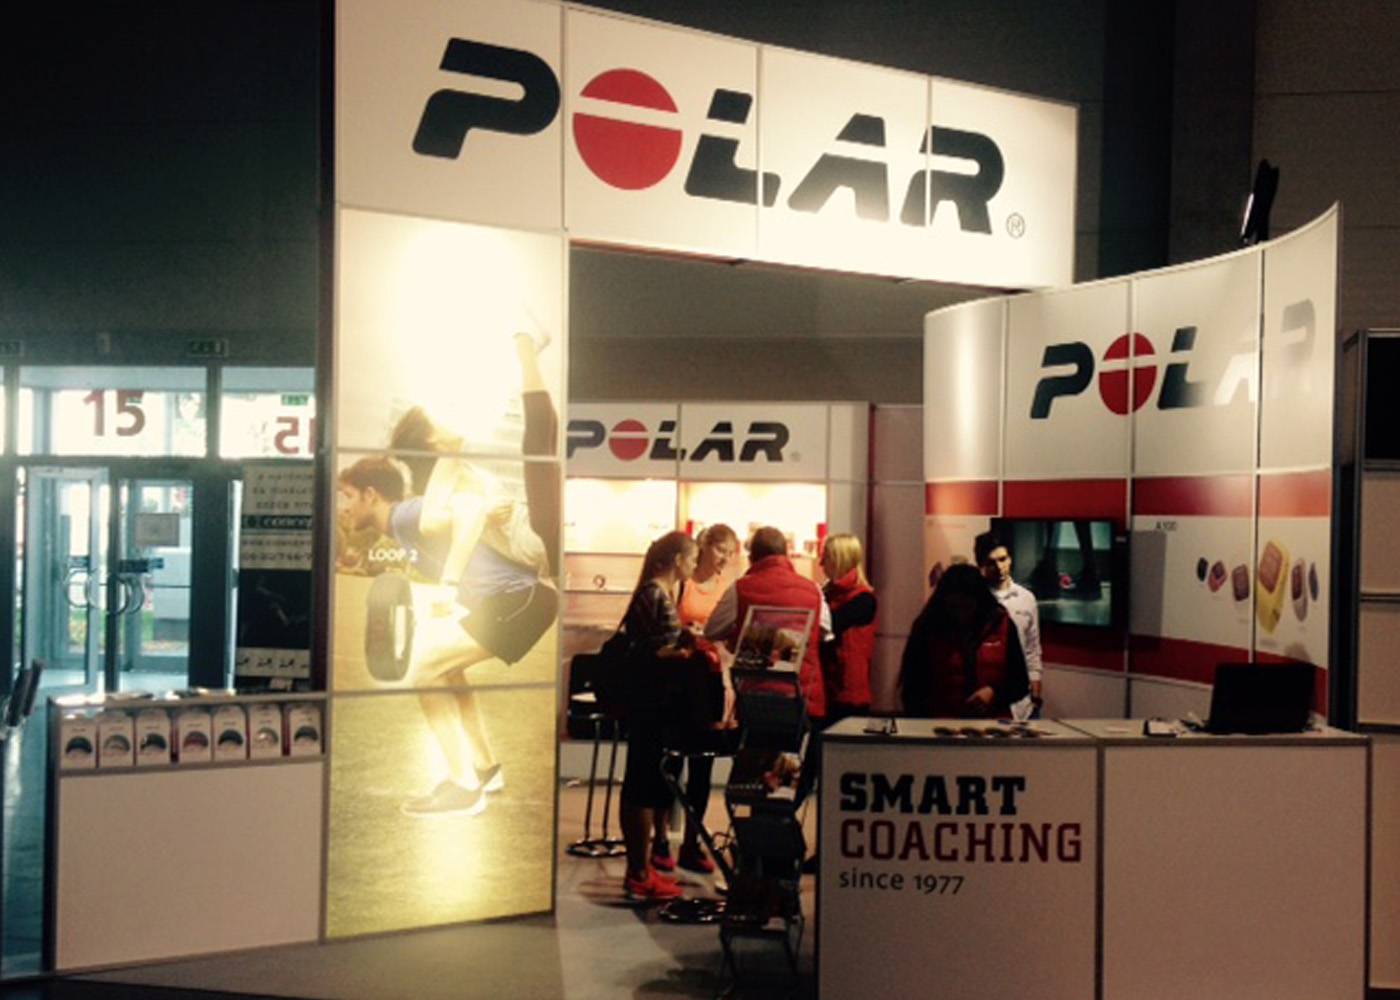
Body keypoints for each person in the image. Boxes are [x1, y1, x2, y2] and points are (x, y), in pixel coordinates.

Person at [338, 331, 559, 817]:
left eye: (348, 497)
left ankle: (463, 785)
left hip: (523, 599)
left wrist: (450, 583)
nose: (343, 507)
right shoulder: (415, 510)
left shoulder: (407, 515)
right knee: (447, 669)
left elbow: (467, 509)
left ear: (372, 496)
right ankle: (484, 770)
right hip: (522, 596)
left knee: (426, 669)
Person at [653, 523, 740, 876]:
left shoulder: (727, 588)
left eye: (730, 553)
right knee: (671, 762)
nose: (725, 559)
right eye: (721, 550)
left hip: (711, 682)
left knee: (703, 768)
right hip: (680, 682)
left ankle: (692, 841)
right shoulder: (682, 585)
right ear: (704, 548)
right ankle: (660, 839)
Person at [617, 530, 698, 901]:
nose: (694, 565)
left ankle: (641, 868)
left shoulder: (654, 593)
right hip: (651, 706)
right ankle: (638, 871)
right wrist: (685, 650)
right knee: (643, 785)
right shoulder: (656, 595)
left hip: (649, 705)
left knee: (645, 783)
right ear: (678, 560)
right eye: (692, 558)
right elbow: (659, 653)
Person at [705, 526, 830, 722]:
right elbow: (826, 632)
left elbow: (712, 630)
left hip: (755, 695)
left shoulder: (740, 588)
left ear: (752, 557)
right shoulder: (813, 589)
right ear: (786, 554)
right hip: (803, 694)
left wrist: (736, 639)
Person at [899, 562, 1029, 719]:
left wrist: (994, 693)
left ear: (979, 602)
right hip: (939, 724)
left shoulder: (1002, 625)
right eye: (954, 608)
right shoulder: (927, 627)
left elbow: (1020, 682)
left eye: (967, 607)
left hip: (992, 725)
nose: (960, 615)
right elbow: (912, 687)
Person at [974, 530, 1043, 714]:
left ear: (1010, 558)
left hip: (1022, 698)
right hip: (987, 696)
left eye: (1003, 559)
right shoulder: (975, 600)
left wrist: (1036, 684)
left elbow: (1032, 647)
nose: (999, 567)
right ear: (981, 565)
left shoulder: (1026, 598)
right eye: (991, 562)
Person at [820, 533, 877, 723]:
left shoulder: (863, 600)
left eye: (826, 557)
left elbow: (832, 624)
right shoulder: (830, 595)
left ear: (839, 560)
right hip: (830, 688)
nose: (821, 563)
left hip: (849, 694)